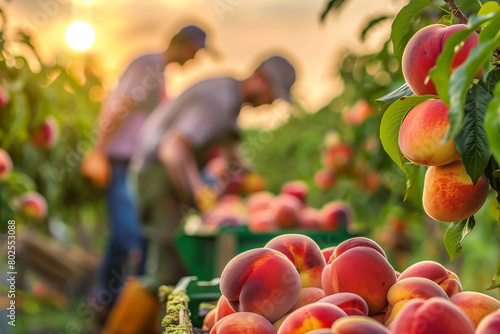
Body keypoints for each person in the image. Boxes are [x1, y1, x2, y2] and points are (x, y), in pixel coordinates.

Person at [101, 55, 296, 334]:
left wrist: (248, 175)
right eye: (271, 97)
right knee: (166, 268)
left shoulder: (229, 98)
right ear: (260, 81)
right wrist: (199, 194)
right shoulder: (218, 100)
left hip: (163, 178)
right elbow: (172, 148)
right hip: (157, 177)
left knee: (169, 264)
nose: (268, 105)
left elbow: (231, 150)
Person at [80, 24, 209, 322]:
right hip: (121, 160)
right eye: (194, 51)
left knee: (122, 237)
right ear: (183, 43)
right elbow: (121, 105)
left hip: (132, 161)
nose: (194, 59)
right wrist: (99, 151)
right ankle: (114, 305)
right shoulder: (149, 65)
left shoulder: (161, 72)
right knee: (132, 236)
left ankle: (105, 303)